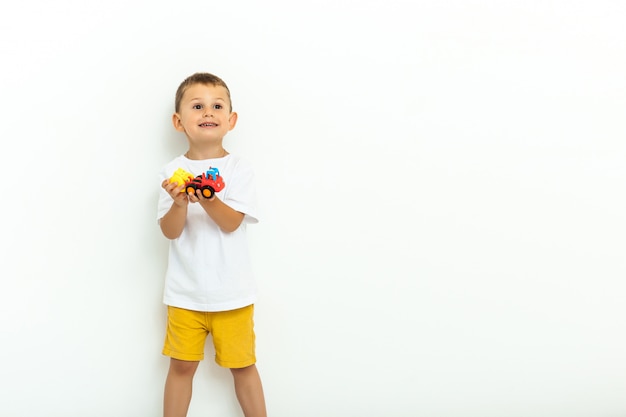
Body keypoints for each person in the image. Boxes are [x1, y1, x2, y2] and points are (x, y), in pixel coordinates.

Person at [157, 72, 267, 417]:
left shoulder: (238, 169)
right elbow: (171, 232)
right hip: (184, 295)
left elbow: (232, 222)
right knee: (181, 368)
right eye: (197, 106)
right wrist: (179, 203)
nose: (208, 112)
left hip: (232, 295)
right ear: (179, 122)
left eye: (217, 106)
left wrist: (204, 197)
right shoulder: (172, 170)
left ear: (231, 120)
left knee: (243, 367)